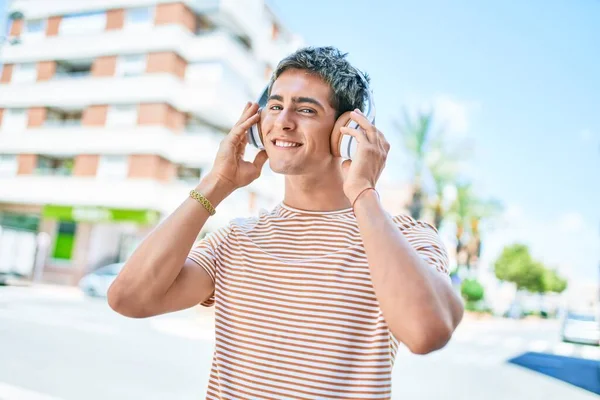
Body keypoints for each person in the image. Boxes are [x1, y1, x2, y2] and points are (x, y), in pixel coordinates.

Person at [108, 46, 464, 400]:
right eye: (275, 106)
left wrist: (362, 191)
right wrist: (216, 184)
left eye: (306, 109)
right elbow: (128, 298)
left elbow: (425, 331)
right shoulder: (234, 239)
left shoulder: (404, 237)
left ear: (347, 129)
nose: (283, 121)